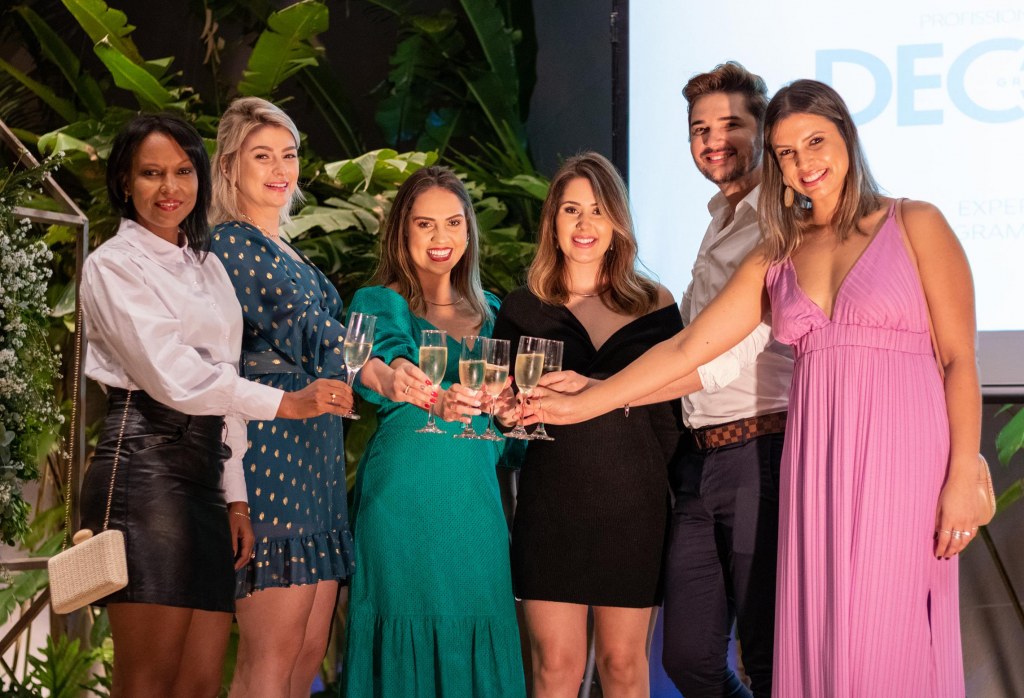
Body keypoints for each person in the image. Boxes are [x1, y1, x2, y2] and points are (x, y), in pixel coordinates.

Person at [531, 80, 983, 697]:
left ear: (847, 136)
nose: (804, 163)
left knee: (888, 633)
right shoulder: (778, 253)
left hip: (901, 459)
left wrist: (962, 473)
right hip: (814, 464)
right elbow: (691, 349)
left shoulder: (915, 222)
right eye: (787, 153)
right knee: (822, 641)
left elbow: (958, 360)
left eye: (815, 142)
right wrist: (590, 399)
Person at [79, 113, 349, 698]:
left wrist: (236, 497)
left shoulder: (204, 266)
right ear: (125, 181)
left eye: (182, 172)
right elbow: (175, 377)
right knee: (147, 682)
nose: (169, 187)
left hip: (208, 472)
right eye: (151, 173)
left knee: (199, 683)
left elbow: (224, 382)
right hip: (145, 467)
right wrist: (285, 403)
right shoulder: (113, 264)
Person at [492, 152, 682, 696]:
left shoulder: (655, 304)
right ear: (552, 220)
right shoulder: (523, 307)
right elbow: (505, 411)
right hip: (552, 503)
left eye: (598, 210)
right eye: (571, 209)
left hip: (635, 506)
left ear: (617, 221)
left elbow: (674, 417)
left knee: (623, 666)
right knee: (556, 667)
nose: (584, 224)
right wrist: (504, 414)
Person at [341, 165, 525, 696]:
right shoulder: (378, 301)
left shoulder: (496, 313)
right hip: (403, 501)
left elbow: (510, 441)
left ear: (469, 230)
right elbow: (381, 363)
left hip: (476, 506)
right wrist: (430, 395)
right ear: (403, 231)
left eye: (452, 222)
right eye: (425, 224)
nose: (440, 237)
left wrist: (510, 415)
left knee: (480, 627)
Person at [207, 97, 356, 697]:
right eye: (261, 156)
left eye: (288, 155)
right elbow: (311, 332)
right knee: (271, 656)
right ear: (229, 166)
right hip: (272, 449)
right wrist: (384, 368)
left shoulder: (286, 247)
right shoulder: (231, 242)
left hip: (316, 452)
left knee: (306, 654)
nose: (279, 169)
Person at [662, 62, 792, 697]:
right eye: (700, 129)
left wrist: (601, 397)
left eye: (732, 124)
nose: (714, 140)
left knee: (766, 659)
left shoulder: (782, 220)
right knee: (688, 659)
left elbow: (719, 355)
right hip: (699, 460)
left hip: (761, 452)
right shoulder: (720, 217)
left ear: (764, 130)